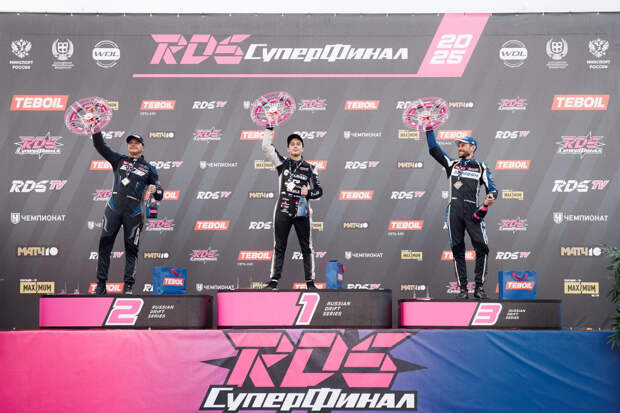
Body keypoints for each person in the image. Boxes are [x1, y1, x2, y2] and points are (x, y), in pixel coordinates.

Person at [425, 129, 498, 299]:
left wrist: (490, 198)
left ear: (473, 147)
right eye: (458, 145)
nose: (459, 147)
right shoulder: (452, 165)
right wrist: (429, 128)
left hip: (473, 212)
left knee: (482, 247)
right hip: (454, 211)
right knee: (457, 249)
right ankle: (463, 289)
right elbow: (434, 149)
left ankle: (479, 288)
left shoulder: (481, 167)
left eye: (463, 145)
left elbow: (493, 189)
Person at [91, 131, 163, 295]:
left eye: (137, 142)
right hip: (113, 209)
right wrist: (95, 127)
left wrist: (155, 189)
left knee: (131, 249)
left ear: (143, 147)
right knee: (104, 245)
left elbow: (159, 194)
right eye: (130, 142)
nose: (133, 145)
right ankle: (101, 285)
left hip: (134, 212)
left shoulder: (150, 169)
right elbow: (100, 145)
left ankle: (128, 287)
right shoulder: (119, 160)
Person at [261, 125, 323, 290]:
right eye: (292, 144)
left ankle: (310, 282)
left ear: (302, 148)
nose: (295, 146)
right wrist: (269, 127)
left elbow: (319, 191)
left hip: (302, 213)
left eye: (298, 144)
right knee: (279, 246)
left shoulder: (310, 168)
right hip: (283, 210)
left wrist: (309, 193)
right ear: (288, 149)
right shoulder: (282, 163)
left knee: (306, 247)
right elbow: (266, 147)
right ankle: (274, 281)